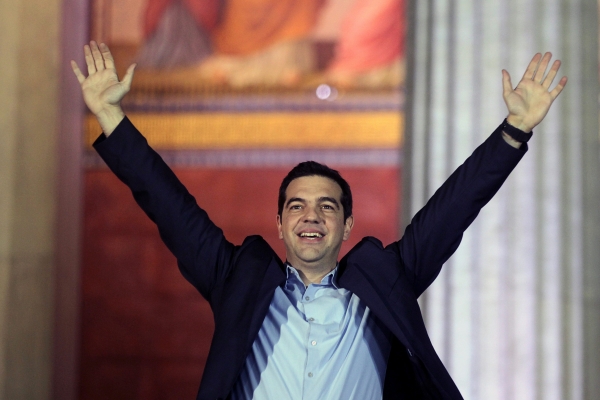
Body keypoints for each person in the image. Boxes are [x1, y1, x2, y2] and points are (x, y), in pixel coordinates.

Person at [72, 41, 567, 399]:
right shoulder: (238, 279)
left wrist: (514, 130)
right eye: (297, 206)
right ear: (280, 223)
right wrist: (111, 118)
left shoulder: (385, 280)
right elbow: (169, 205)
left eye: (327, 206)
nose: (311, 216)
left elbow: (452, 211)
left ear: (347, 225)